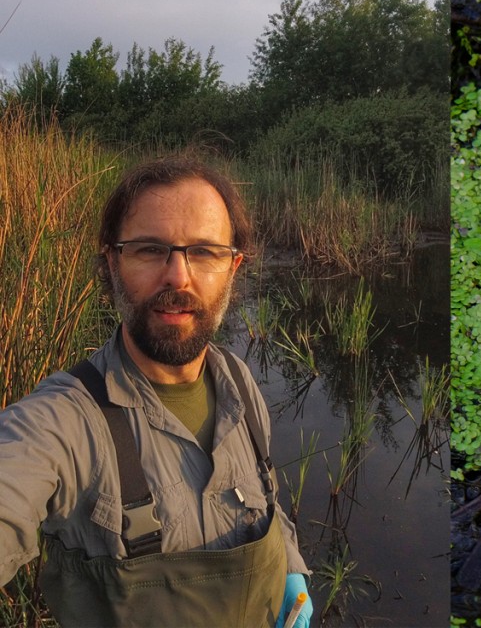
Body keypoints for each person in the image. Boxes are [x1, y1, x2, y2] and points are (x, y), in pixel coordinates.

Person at [0, 156, 314, 627]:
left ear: (234, 268)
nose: (178, 277)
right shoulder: (61, 422)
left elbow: (268, 502)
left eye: (206, 252)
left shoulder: (239, 383)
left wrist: (291, 568)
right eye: (149, 249)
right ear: (111, 263)